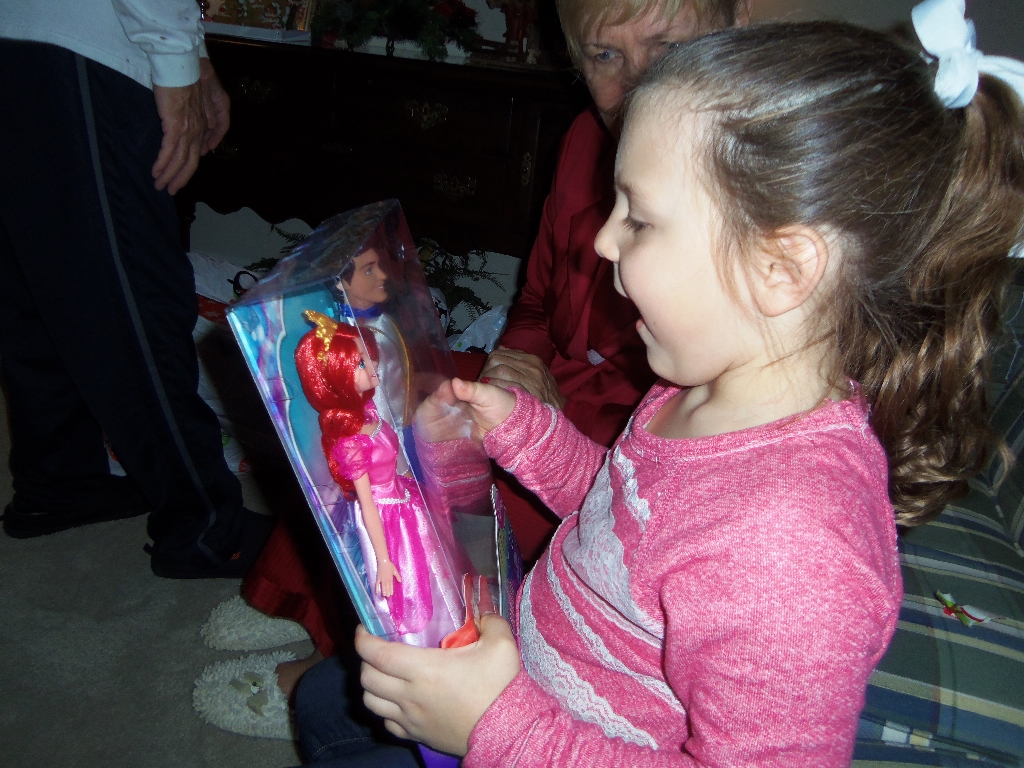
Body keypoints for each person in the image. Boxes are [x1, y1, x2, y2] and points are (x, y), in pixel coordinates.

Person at [309, 4, 1022, 766]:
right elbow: (629, 524)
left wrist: (496, 724)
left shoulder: (795, 548)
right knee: (326, 701)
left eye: (639, 219)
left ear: (781, 268)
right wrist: (526, 433)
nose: (602, 238)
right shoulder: (702, 390)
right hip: (539, 672)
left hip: (538, 741)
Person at [0, 0, 273, 577]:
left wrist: (194, 56)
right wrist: (175, 58)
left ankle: (59, 480)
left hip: (24, 33)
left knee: (37, 279)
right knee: (135, 297)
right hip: (80, 37)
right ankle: (206, 527)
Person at [481, 0, 753, 562]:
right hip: (550, 409)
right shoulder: (585, 140)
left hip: (642, 457)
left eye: (669, 48)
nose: (636, 88)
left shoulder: (762, 186)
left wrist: (554, 419)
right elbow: (536, 301)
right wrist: (516, 367)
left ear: (736, 23)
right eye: (605, 55)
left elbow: (724, 427)